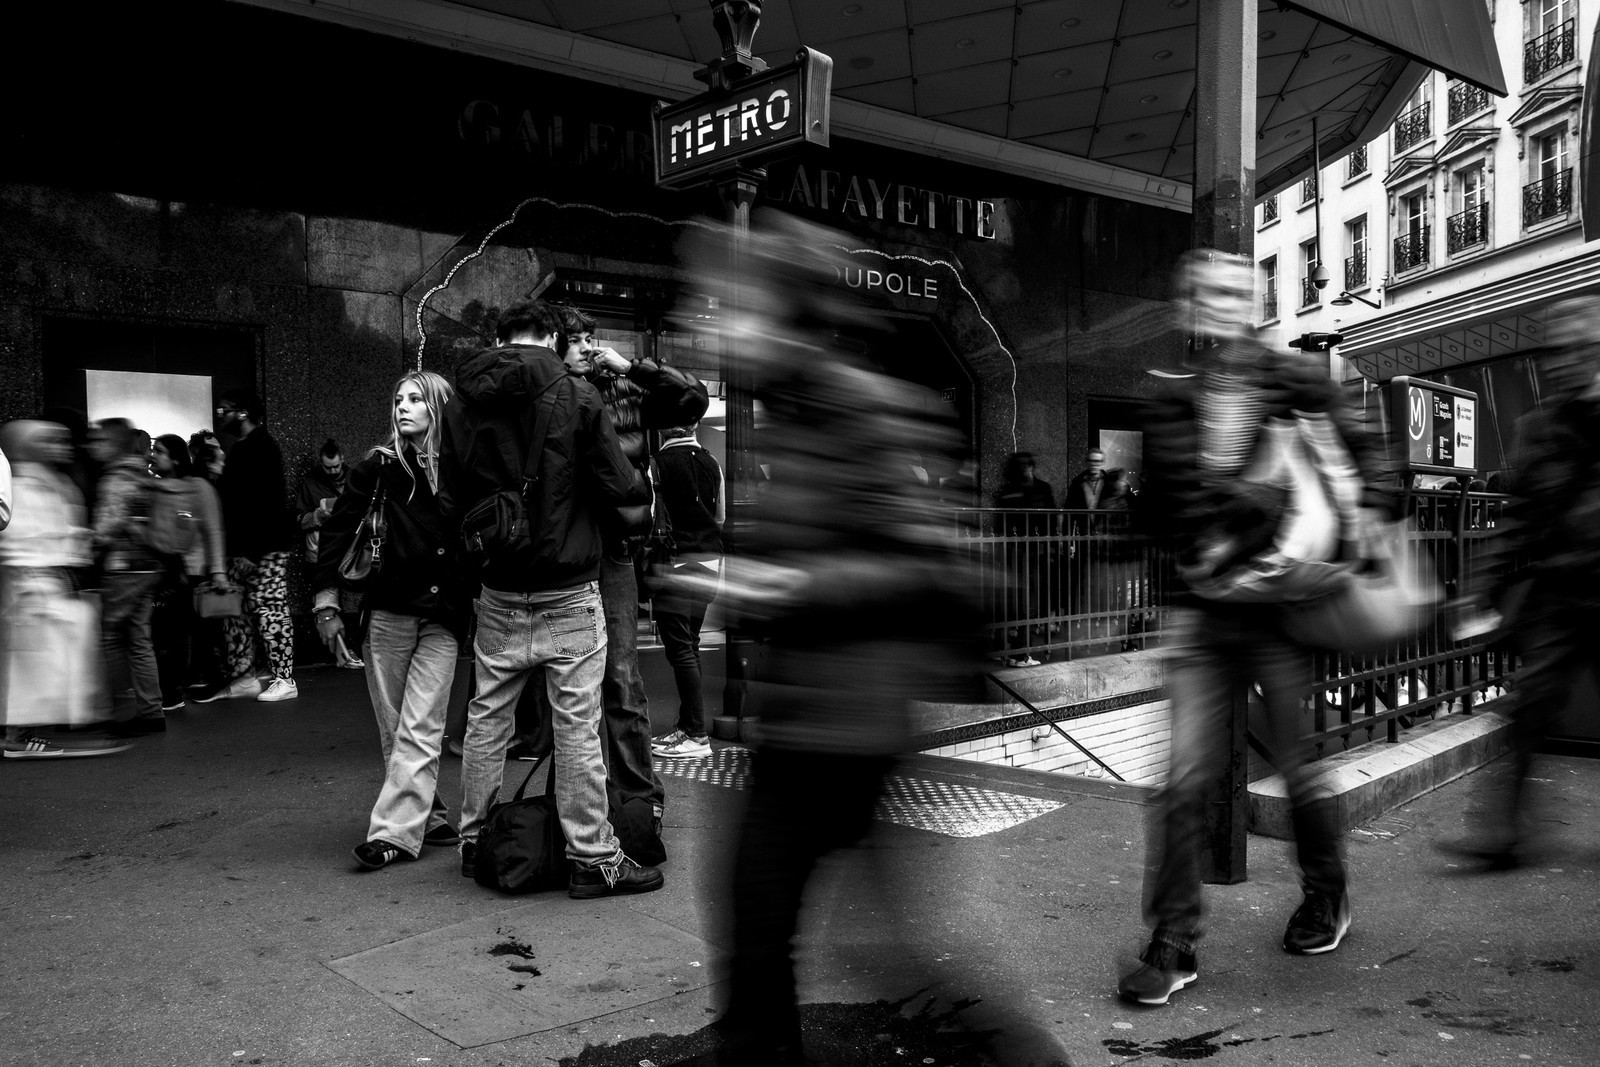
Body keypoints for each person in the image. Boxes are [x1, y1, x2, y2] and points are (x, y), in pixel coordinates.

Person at [1116, 249, 1389, 1007]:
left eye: (1236, 290)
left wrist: (1362, 520)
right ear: (1190, 305)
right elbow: (1158, 509)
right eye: (1208, 291)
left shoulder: (1292, 379)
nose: (1223, 301)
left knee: (1298, 765)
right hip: (1204, 613)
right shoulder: (1174, 396)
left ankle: (1326, 894)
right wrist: (1185, 539)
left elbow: (1364, 455)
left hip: (1279, 611)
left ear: (1252, 300)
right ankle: (1173, 941)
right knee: (1182, 779)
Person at [439, 298, 659, 898]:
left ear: (501, 338)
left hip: (499, 588)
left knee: (488, 720)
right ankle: (593, 858)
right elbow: (620, 485)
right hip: (568, 587)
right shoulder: (578, 397)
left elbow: (450, 497)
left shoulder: (460, 404)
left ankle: (474, 841)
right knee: (577, 727)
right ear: (553, 338)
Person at [1437, 295, 1600, 870]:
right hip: (1560, 592)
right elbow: (1519, 519)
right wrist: (1476, 590)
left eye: (1577, 350)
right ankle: (1502, 836)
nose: (1564, 362)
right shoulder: (1539, 427)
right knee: (1528, 709)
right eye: (1557, 352)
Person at [543, 306, 708, 812]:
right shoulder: (543, 392)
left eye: (589, 338)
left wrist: (632, 367)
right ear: (552, 343)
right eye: (575, 339)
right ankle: (577, 803)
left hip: (613, 549)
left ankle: (639, 800)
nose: (586, 347)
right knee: (566, 687)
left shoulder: (620, 389)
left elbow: (693, 399)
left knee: (622, 677)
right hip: (561, 552)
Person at [314, 371, 467, 870]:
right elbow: (337, 531)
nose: (402, 407)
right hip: (388, 613)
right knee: (396, 727)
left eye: (416, 399)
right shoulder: (378, 467)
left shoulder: (463, 468)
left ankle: (393, 835)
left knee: (421, 725)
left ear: (438, 407)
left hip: (443, 615)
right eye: (398, 399)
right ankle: (431, 815)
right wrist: (326, 602)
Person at [1, 420, 130, 759]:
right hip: (31, 588)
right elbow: (18, 539)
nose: (61, 447)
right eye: (50, 441)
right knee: (31, 671)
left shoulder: (51, 482)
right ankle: (18, 737)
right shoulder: (19, 485)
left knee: (43, 667)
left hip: (48, 586)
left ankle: (25, 734)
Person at [196, 388, 298, 704]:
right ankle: (244, 678)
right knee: (237, 613)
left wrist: (252, 553)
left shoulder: (260, 446)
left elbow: (266, 503)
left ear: (242, 412)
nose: (220, 415)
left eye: (225, 409)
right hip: (248, 548)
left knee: (270, 610)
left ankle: (284, 679)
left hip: (262, 548)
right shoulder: (246, 447)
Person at [649, 421, 725, 760]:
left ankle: (696, 733)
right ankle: (687, 725)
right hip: (709, 561)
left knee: (680, 649)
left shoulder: (656, 465)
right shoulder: (711, 461)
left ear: (664, 428)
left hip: (675, 561)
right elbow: (719, 517)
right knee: (690, 645)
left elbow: (651, 516)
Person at [89, 417, 165, 735]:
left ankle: (105, 711)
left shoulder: (115, 479)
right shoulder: (144, 475)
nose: (93, 446)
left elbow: (108, 526)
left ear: (114, 445)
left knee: (108, 638)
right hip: (148, 566)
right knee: (139, 640)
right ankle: (152, 711)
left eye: (99, 441)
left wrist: (87, 541)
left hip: (123, 568)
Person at [147, 434, 228, 714]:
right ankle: (174, 689)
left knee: (186, 633)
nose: (153, 455)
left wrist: (218, 571)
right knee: (171, 634)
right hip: (167, 572)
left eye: (159, 451)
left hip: (195, 572)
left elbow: (213, 530)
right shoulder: (157, 487)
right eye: (153, 450)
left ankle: (185, 688)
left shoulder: (198, 487)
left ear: (176, 458)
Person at [297, 439, 363, 670]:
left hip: (351, 550)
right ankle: (343, 653)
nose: (333, 471)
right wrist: (317, 516)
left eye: (336, 466)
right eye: (328, 468)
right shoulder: (310, 484)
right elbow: (299, 520)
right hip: (321, 553)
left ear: (342, 459)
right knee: (326, 602)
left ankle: (348, 651)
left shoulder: (356, 478)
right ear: (321, 463)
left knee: (343, 601)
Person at [994, 451, 1056, 666]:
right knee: (1026, 603)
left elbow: (1000, 524)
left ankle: (1011, 651)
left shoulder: (1009, 491)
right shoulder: (1039, 489)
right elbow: (1050, 520)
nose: (1025, 470)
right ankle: (1020, 653)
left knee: (1019, 603)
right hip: (1030, 553)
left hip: (1020, 553)